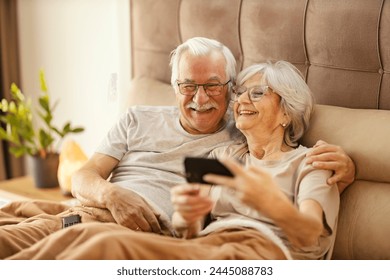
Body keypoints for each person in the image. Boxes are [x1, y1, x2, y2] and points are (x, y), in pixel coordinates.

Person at [1, 38, 352, 259]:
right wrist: (187, 214)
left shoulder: (312, 161)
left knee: (98, 245)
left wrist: (269, 200)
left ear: (288, 112)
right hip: (192, 245)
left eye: (256, 93)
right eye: (242, 93)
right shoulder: (224, 156)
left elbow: (312, 237)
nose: (241, 101)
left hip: (252, 254)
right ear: (174, 86)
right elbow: (191, 226)